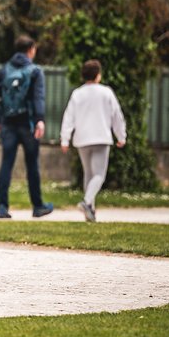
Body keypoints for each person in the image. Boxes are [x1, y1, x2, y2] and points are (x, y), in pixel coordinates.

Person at [0, 35, 54, 219]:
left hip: (8, 124)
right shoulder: (35, 71)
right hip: (28, 124)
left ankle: (3, 207)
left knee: (6, 164)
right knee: (32, 165)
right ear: (31, 50)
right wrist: (40, 120)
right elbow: (38, 98)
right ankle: (38, 206)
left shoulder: (5, 70)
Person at [60, 59, 127, 222]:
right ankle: (87, 202)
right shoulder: (106, 92)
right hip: (101, 138)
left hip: (82, 139)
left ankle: (90, 211)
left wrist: (65, 139)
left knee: (89, 175)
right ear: (98, 75)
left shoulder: (77, 93)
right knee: (99, 175)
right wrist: (121, 136)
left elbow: (69, 117)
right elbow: (116, 116)